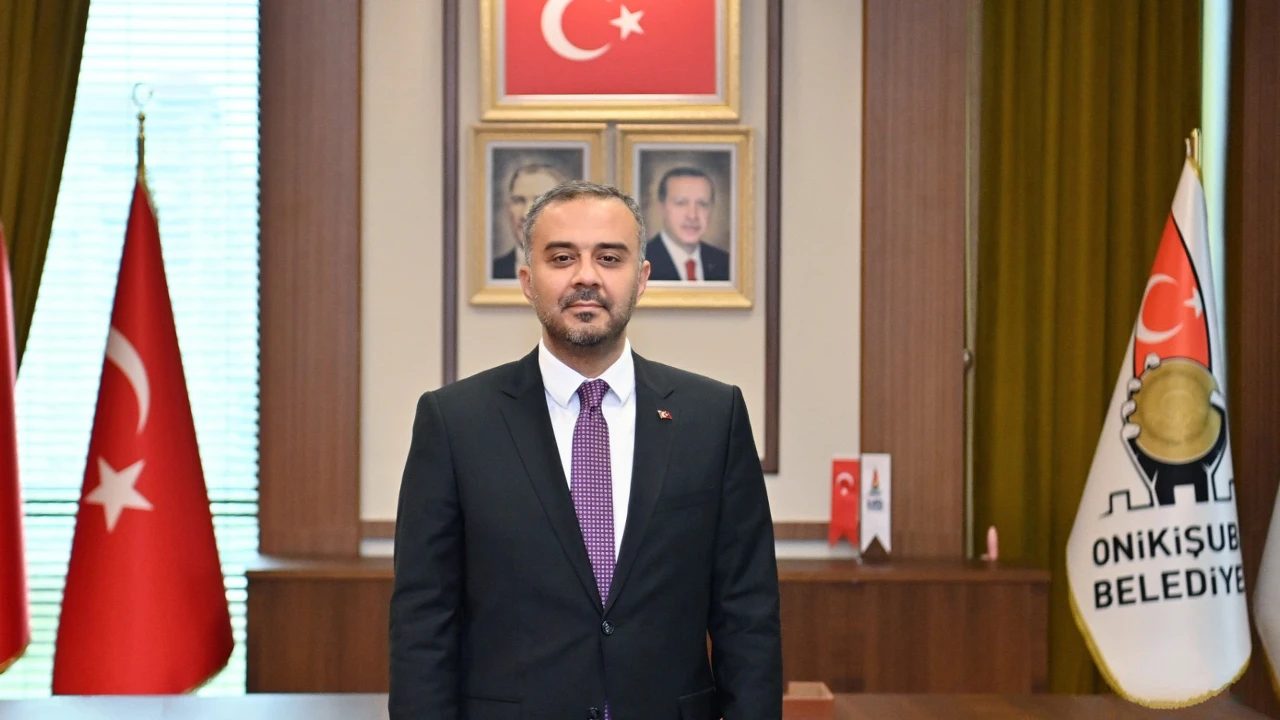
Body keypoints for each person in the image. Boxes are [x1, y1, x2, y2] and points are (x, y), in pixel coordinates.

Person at [389, 180, 782, 719]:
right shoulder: (455, 422)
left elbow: (748, 616)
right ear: (527, 281)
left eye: (609, 258)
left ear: (641, 278)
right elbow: (422, 621)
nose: (586, 277)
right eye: (562, 257)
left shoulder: (713, 417)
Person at [644, 166, 731, 282]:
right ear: (661, 208)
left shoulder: (726, 264)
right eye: (681, 203)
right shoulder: (641, 263)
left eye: (703, 204)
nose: (692, 216)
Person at [492, 163, 566, 280]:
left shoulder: (577, 272)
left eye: (539, 201)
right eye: (518, 201)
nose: (525, 214)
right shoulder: (493, 271)